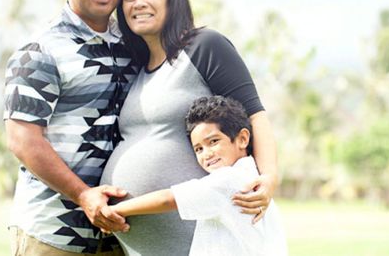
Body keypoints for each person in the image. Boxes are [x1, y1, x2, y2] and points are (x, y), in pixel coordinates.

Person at [100, 0, 279, 255]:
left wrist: (270, 178)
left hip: (198, 240)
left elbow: (255, 114)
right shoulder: (138, 68)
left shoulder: (205, 46)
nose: (138, 3)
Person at [3, 0, 138, 255]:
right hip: (53, 234)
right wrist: (83, 195)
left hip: (120, 233)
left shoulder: (134, 45)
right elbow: (23, 140)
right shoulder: (40, 50)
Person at [109, 96, 287, 256]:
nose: (207, 154)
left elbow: (167, 199)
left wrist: (115, 210)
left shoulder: (228, 180)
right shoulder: (252, 176)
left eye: (214, 141)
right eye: (199, 149)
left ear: (242, 139)